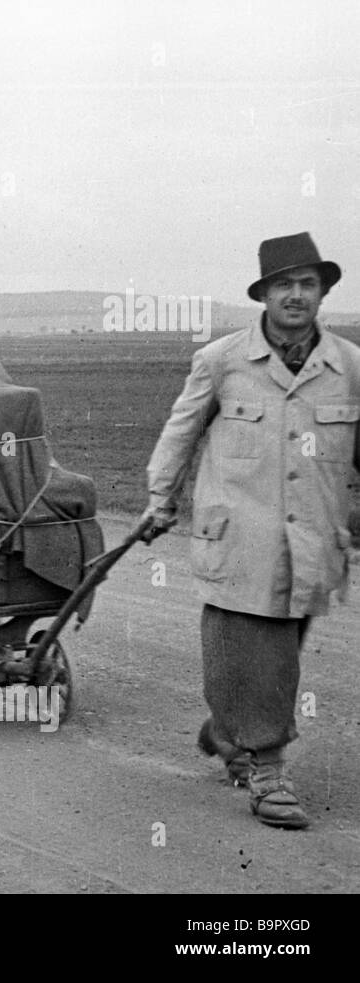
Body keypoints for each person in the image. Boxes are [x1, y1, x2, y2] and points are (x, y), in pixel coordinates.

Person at [142, 232, 360, 830]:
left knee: (279, 650)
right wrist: (160, 501)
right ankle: (267, 768)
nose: (296, 295)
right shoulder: (223, 361)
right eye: (284, 285)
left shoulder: (349, 366)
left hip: (313, 541)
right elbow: (179, 434)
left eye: (308, 284)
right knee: (258, 650)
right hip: (239, 538)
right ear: (264, 294)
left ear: (322, 292)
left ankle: (228, 731)